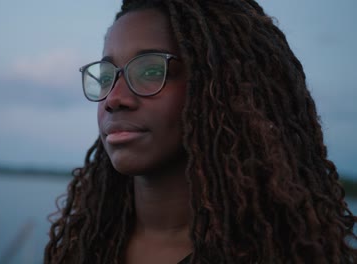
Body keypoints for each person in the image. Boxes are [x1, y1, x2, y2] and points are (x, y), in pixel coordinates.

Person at [45, 0, 357, 263]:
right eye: (106, 76)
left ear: (220, 89)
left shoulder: (281, 252)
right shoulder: (82, 247)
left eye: (151, 71)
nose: (114, 98)